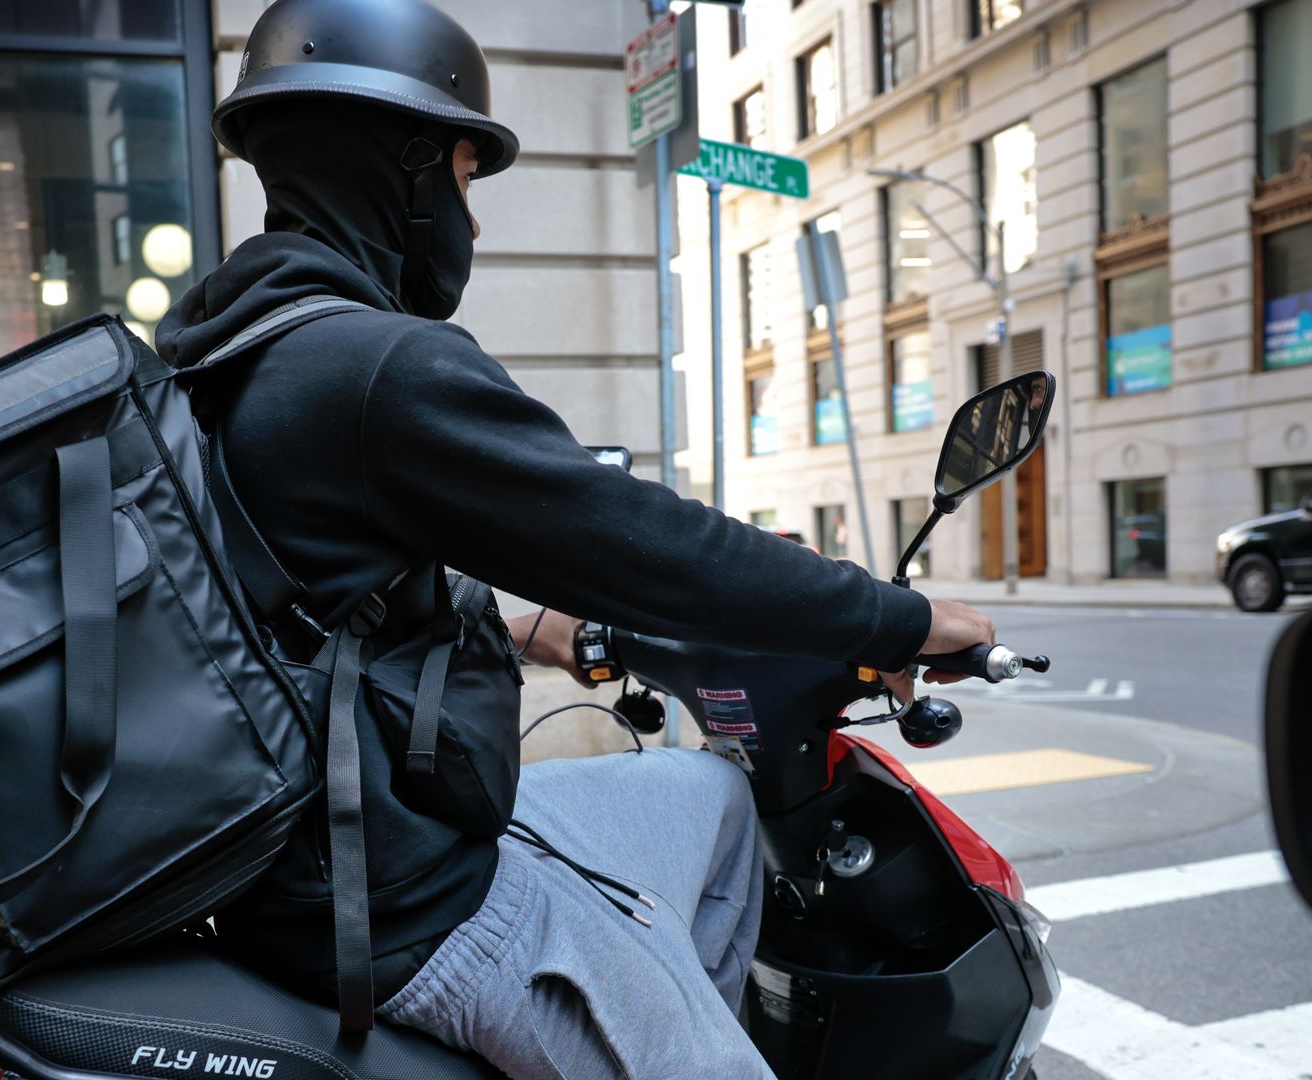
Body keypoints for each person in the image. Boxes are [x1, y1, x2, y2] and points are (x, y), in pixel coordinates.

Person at [157, 1, 997, 1075]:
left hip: (334, 842)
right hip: (406, 900)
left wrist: (516, 630)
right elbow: (657, 547)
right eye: (464, 178)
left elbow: (294, 612)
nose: (474, 218)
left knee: (711, 798)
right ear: (406, 168)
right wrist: (900, 615)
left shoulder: (225, 347)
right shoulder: (377, 369)